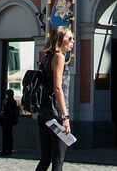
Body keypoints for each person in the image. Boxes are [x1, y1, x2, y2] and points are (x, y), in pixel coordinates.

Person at [34, 25, 74, 171]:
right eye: (69, 38)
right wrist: (65, 116)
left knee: (45, 158)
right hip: (55, 113)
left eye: (72, 38)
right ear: (60, 39)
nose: (72, 41)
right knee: (58, 160)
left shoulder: (47, 57)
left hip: (43, 112)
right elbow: (58, 88)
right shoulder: (59, 57)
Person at [0, 88, 20, 155]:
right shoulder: (14, 101)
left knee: (5, 135)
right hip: (10, 121)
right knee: (9, 135)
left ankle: (5, 149)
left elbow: (5, 111)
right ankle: (9, 149)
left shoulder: (6, 101)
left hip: (5, 121)